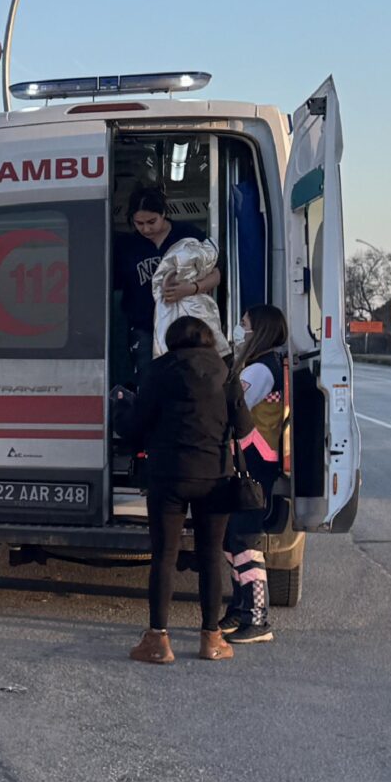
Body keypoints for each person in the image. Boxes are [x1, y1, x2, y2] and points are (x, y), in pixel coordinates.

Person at [122, 313, 253, 664]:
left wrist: (123, 409)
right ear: (208, 340)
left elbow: (135, 426)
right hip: (215, 476)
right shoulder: (227, 373)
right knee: (211, 555)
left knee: (164, 555)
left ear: (172, 340)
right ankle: (211, 639)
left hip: (169, 476)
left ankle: (158, 642)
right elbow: (243, 428)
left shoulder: (158, 370)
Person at [222, 304, 291, 643]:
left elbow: (230, 407)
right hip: (251, 463)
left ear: (259, 329)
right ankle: (239, 609)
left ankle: (258, 619)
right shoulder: (263, 366)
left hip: (256, 464)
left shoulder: (260, 371)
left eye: (244, 323)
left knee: (245, 541)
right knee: (232, 539)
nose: (239, 329)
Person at [113, 186, 214, 389]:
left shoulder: (187, 235)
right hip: (144, 326)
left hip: (186, 324)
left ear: (164, 214)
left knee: (187, 380)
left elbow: (216, 273)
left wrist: (191, 288)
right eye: (139, 223)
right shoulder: (126, 246)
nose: (146, 229)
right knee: (148, 380)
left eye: (152, 222)